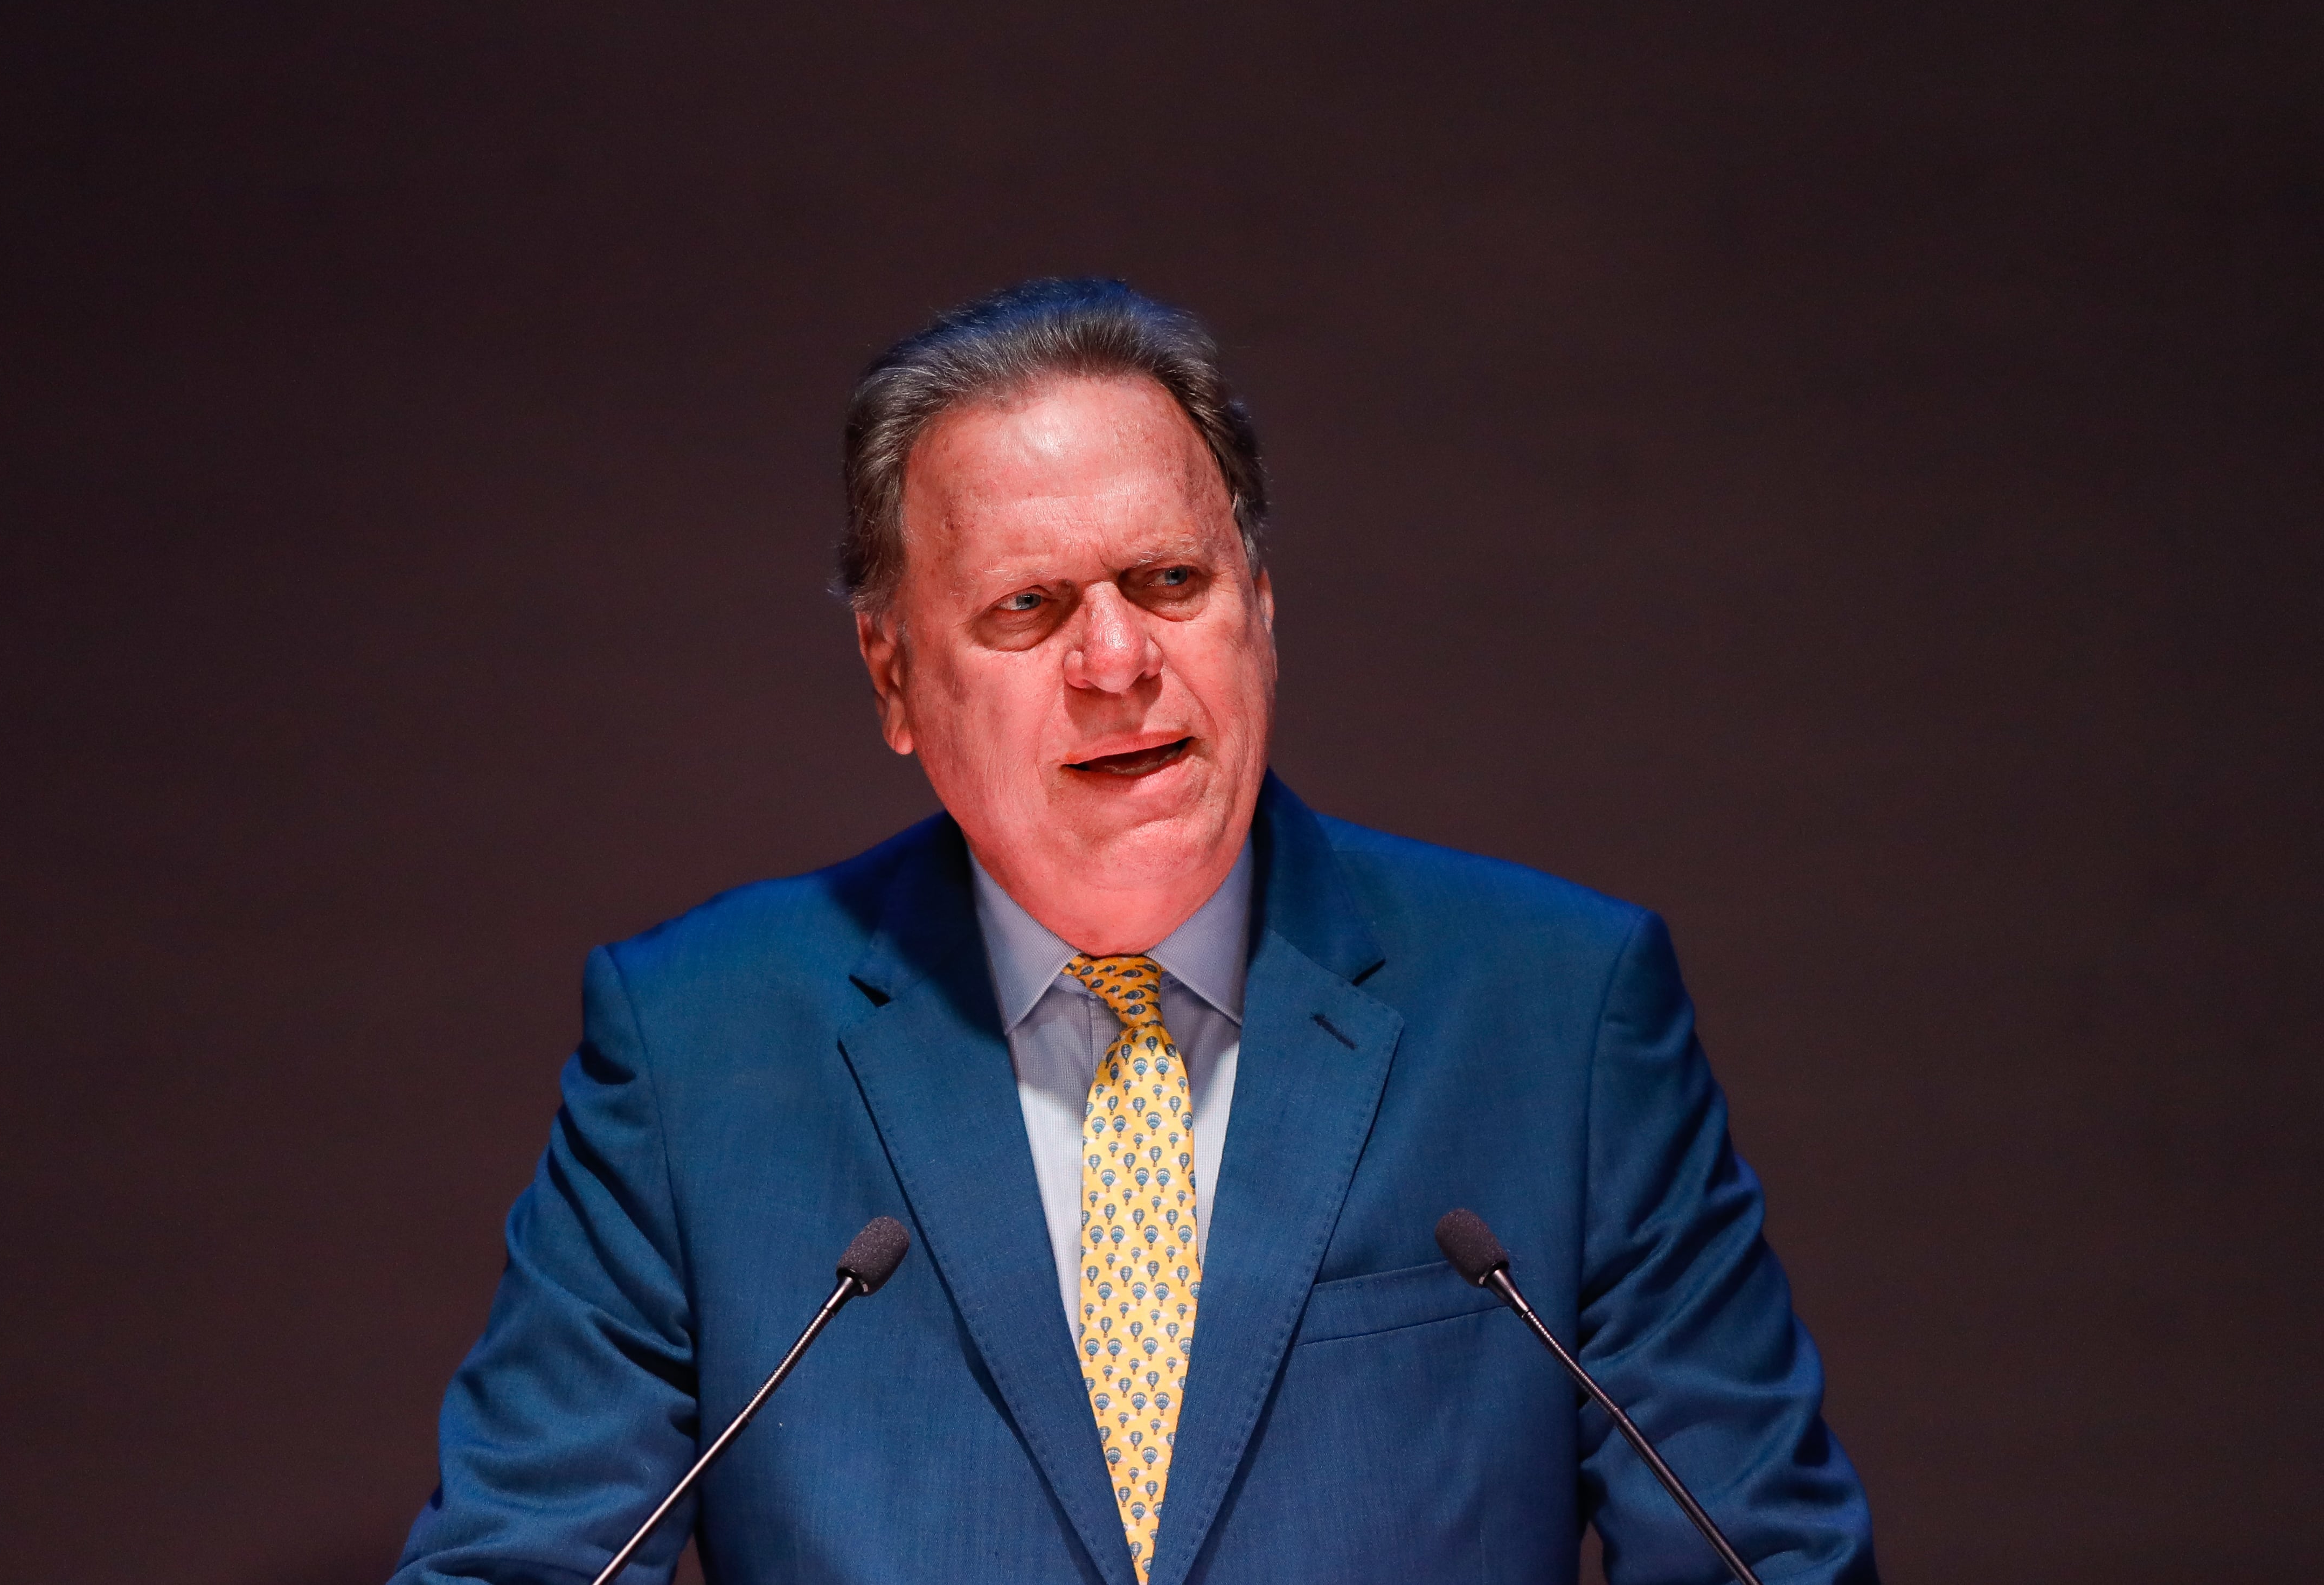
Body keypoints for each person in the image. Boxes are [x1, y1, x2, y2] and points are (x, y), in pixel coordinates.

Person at [393, 279, 1877, 1584]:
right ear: (892, 674)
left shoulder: (1558, 1010)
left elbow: (1767, 1559)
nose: (1118, 661)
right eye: (1030, 607)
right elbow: (519, 1562)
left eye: (1171, 581)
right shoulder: (697, 1047)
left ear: (1262, 609)